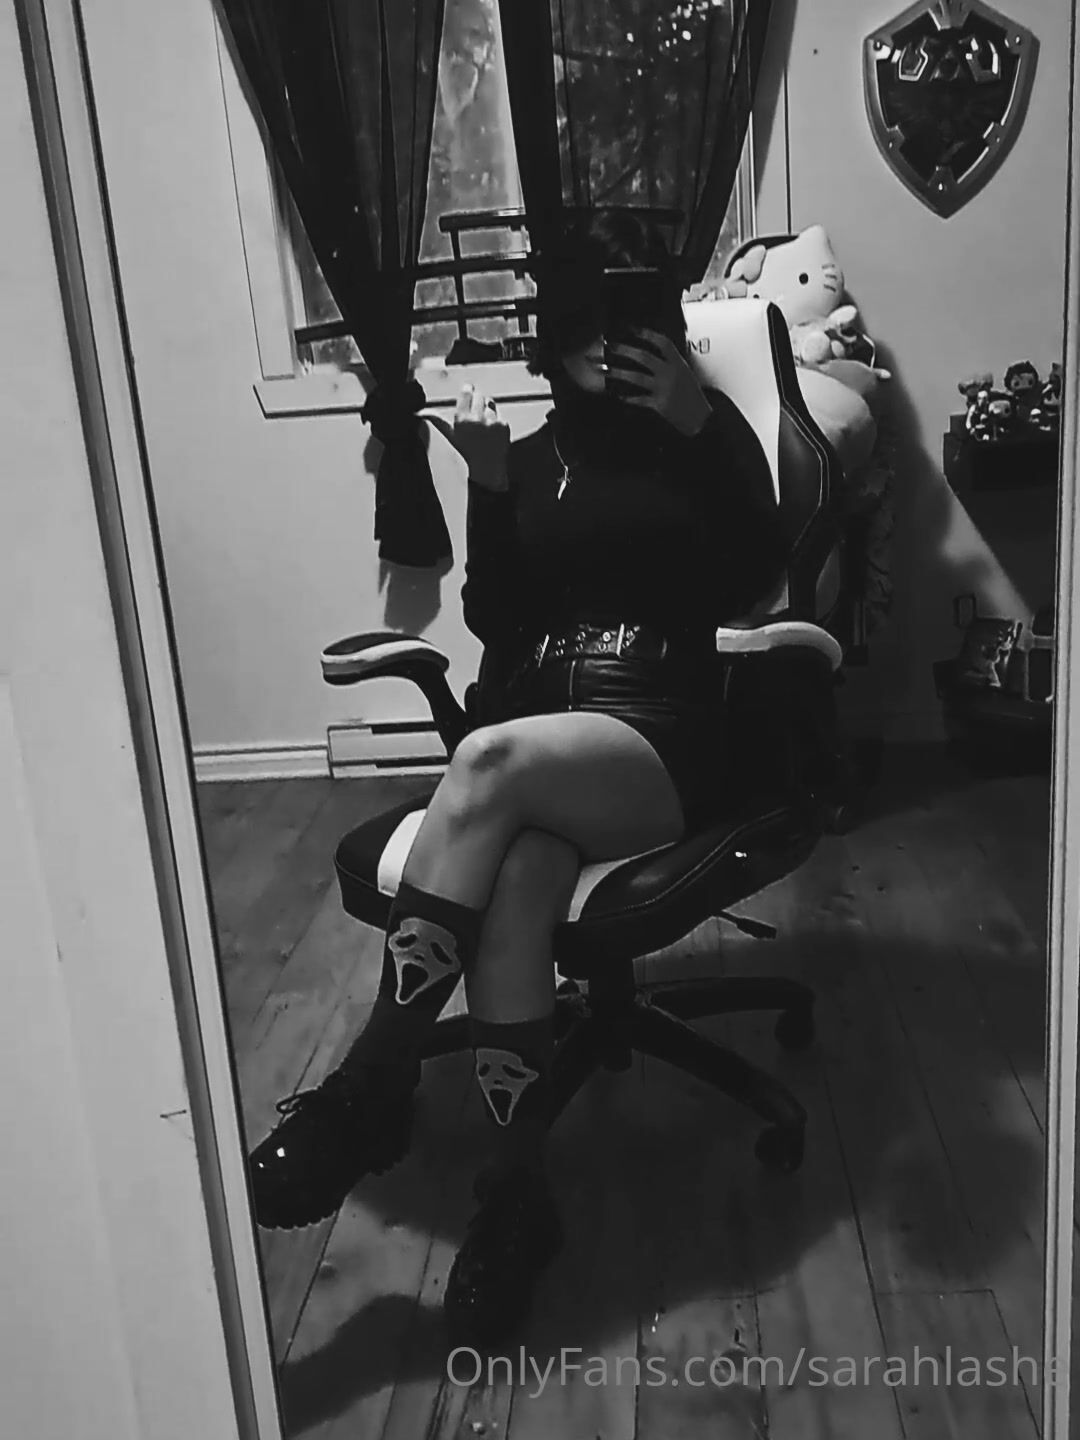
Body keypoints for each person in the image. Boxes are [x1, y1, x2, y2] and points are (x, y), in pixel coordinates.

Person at [248, 210, 789, 1350]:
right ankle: (517, 1198)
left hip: (660, 731)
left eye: (624, 322)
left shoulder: (697, 434)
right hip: (543, 731)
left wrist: (701, 427)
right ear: (550, 337)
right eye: (582, 324)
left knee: (486, 760)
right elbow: (498, 619)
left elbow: (758, 578)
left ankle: (371, 1086)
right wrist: (490, 490)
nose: (603, 344)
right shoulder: (535, 457)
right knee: (520, 886)